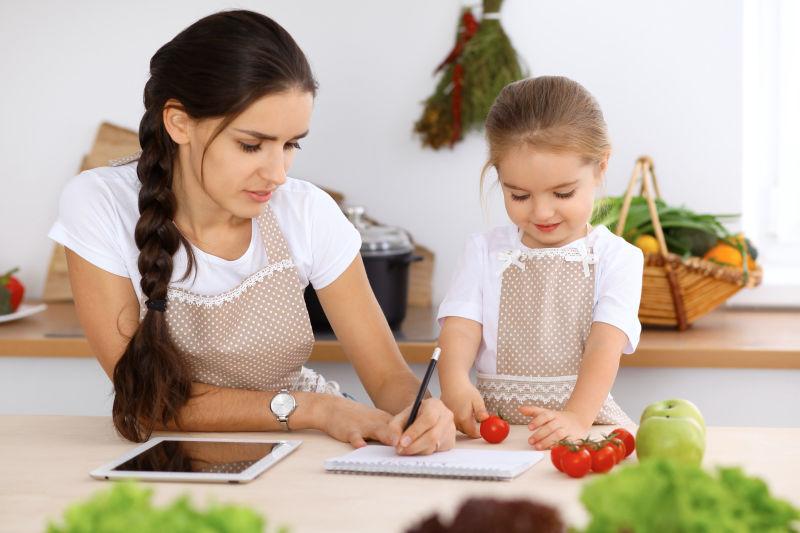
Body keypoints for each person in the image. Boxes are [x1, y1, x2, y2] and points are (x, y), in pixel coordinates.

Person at [49, 10, 454, 455]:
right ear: (179, 122)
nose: (277, 174)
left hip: (305, 448)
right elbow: (146, 401)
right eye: (251, 145)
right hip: (176, 455)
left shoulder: (307, 212)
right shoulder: (101, 203)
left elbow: (387, 377)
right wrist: (313, 409)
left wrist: (423, 411)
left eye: (291, 144)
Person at [437, 76, 643, 451]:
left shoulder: (618, 259)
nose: (542, 211)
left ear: (601, 166)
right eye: (519, 195)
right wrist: (455, 383)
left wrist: (576, 417)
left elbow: (604, 346)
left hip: (582, 426)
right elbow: (462, 329)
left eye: (563, 193)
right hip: (492, 430)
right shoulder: (483, 251)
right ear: (500, 177)